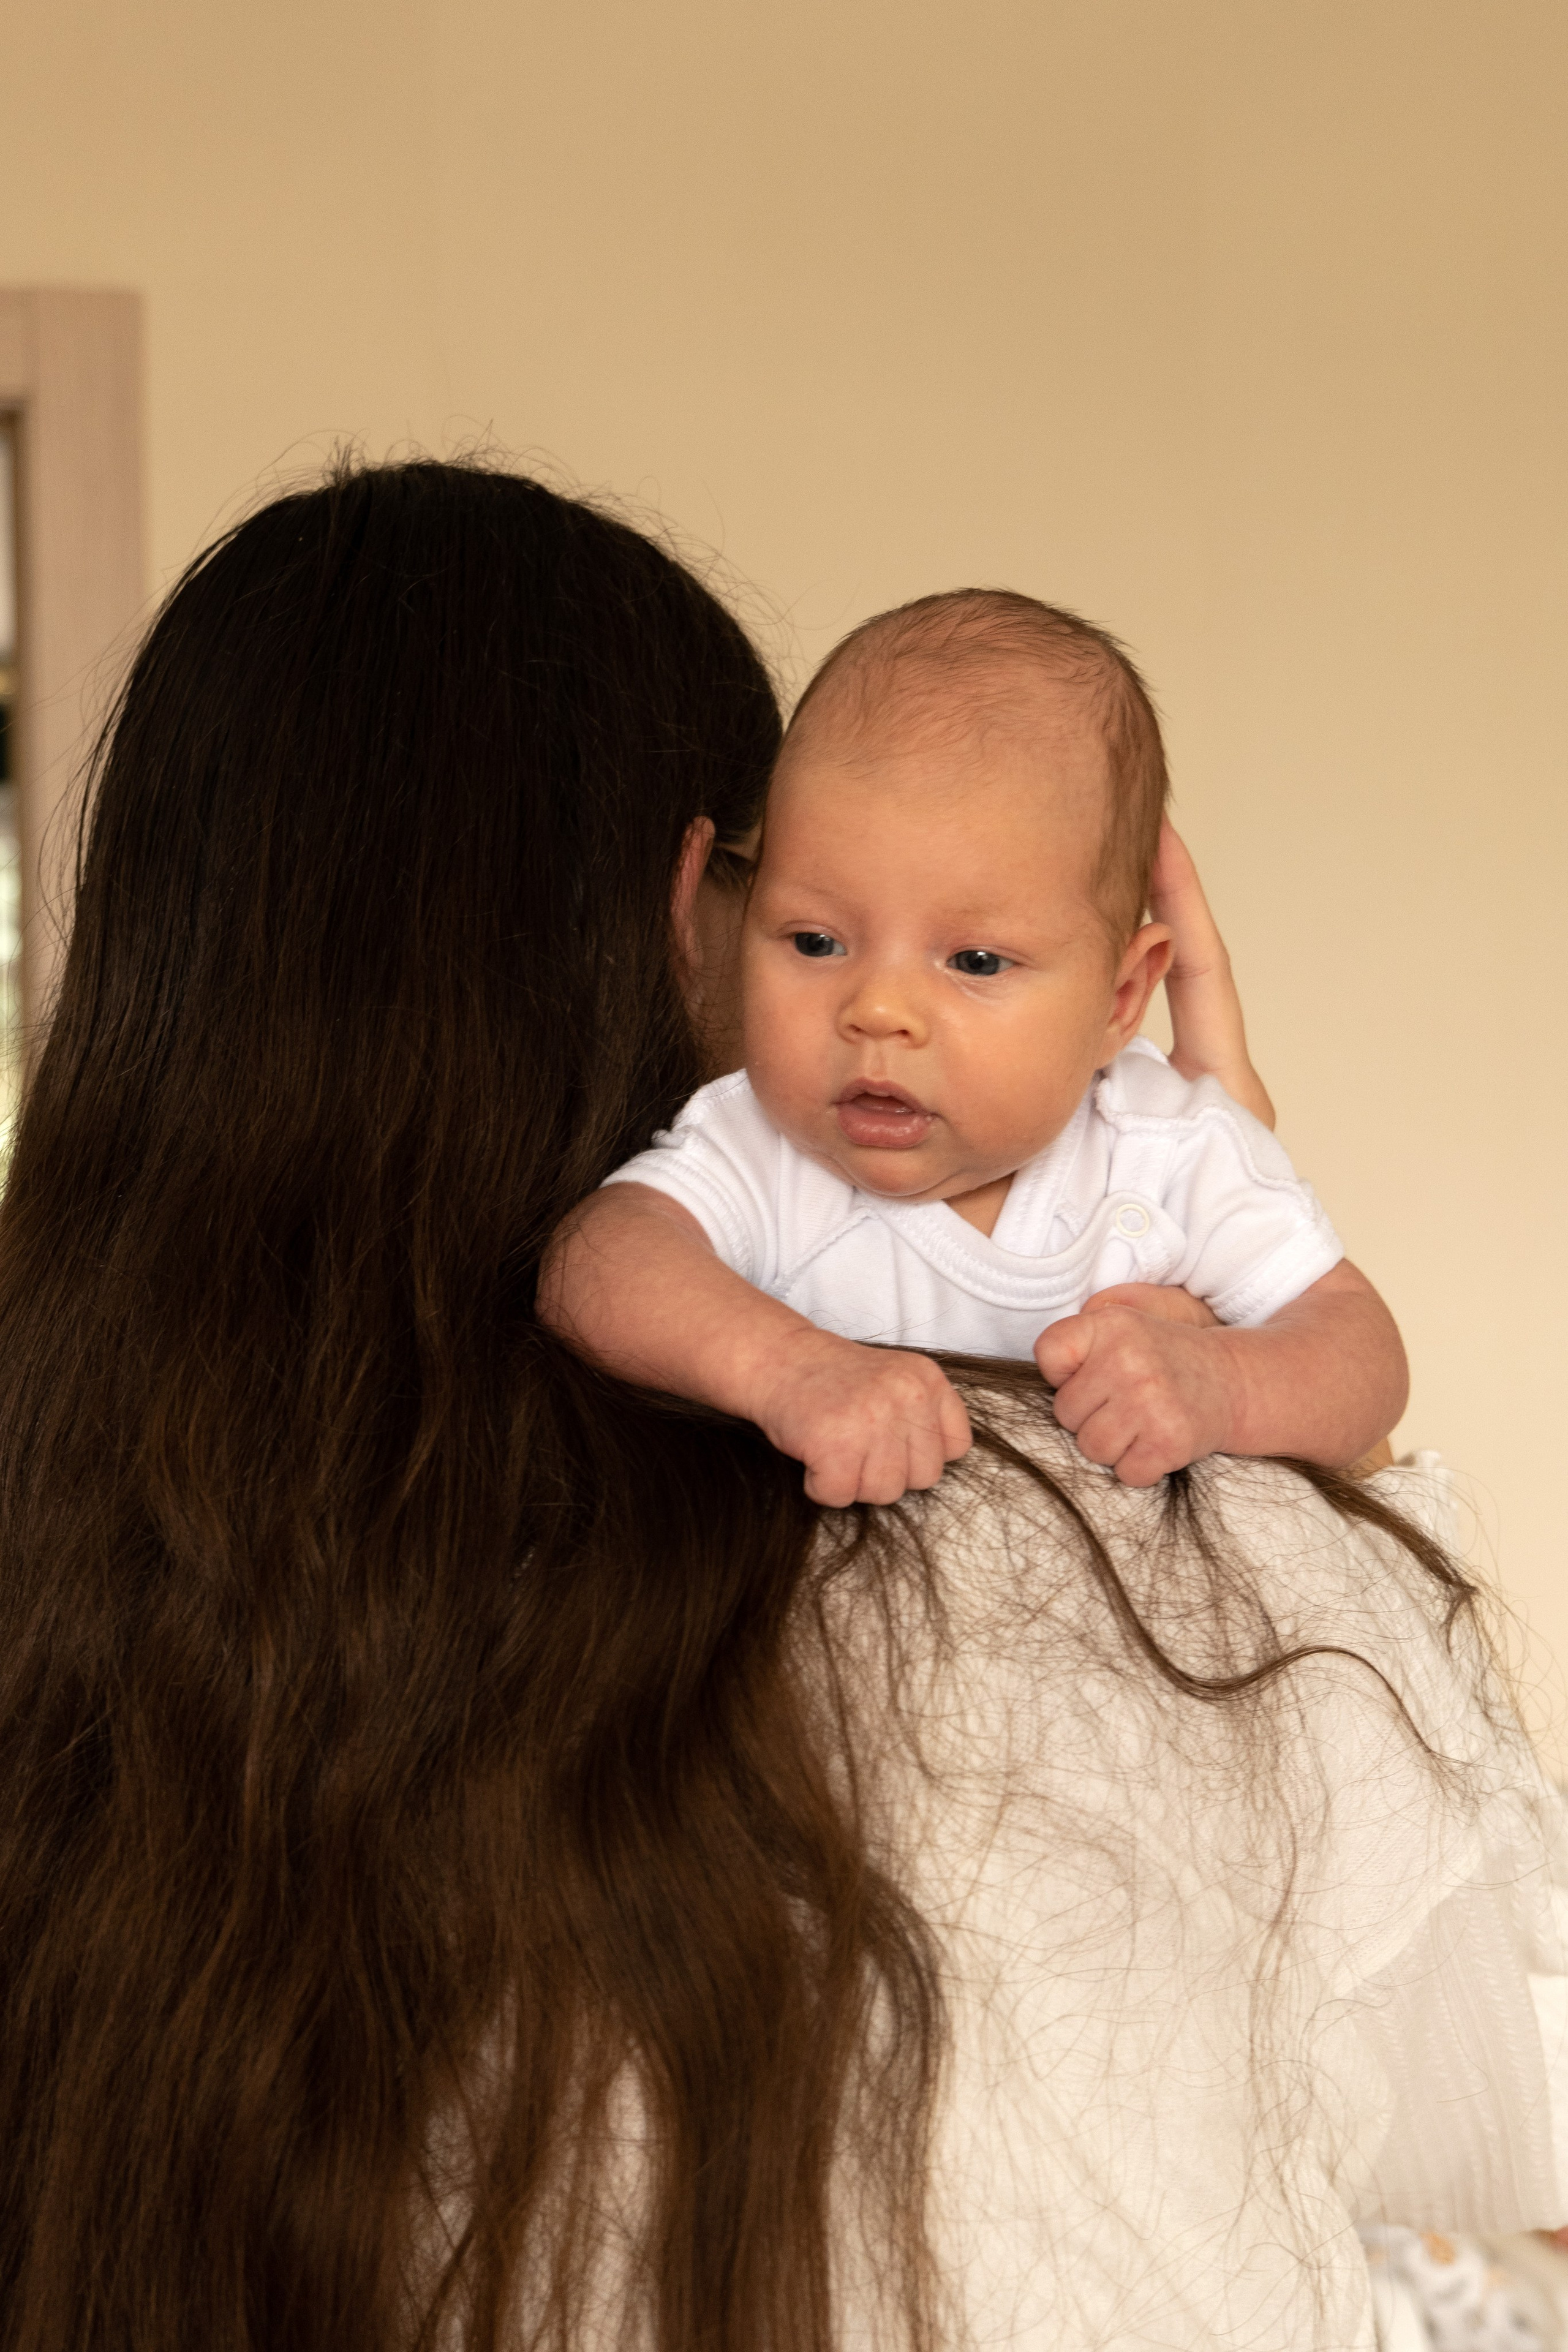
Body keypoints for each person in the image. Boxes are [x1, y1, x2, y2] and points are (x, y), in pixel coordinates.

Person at [0, 457, 1562, 2352]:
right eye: (808, 925)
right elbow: (1519, 2118)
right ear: (691, 919)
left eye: (968, 956)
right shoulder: (1123, 1562)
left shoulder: (68, 1582)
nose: (880, 1010)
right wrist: (1299, 1446)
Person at [542, 590, 1406, 1504]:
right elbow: (596, 1261)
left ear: (1120, 999)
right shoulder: (765, 1144)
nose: (877, 1010)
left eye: (975, 960)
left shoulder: (1166, 1149)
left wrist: (1222, 1383)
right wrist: (789, 1368)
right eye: (816, 942)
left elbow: (1362, 1349)